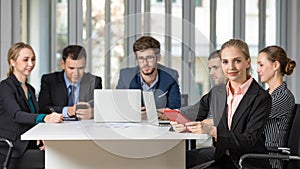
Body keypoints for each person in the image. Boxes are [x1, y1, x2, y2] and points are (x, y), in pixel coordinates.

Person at [171, 39, 272, 169]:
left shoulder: (261, 98)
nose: (231, 67)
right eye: (225, 62)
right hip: (223, 160)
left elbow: (249, 140)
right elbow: (193, 114)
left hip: (246, 163)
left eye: (237, 61)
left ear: (248, 62)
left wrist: (212, 131)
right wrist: (180, 122)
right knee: (175, 161)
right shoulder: (218, 93)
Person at [0, 42, 63, 168]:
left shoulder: (30, 89)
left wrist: (41, 136)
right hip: (12, 148)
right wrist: (44, 118)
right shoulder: (6, 86)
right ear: (12, 62)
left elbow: (31, 119)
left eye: (33, 59)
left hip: (28, 143)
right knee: (56, 159)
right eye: (25, 60)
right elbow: (17, 115)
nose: (31, 64)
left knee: (58, 154)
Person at [116, 36, 181, 119]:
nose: (145, 63)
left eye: (149, 58)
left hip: (159, 126)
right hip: (133, 125)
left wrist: (154, 113)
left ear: (158, 58)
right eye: (141, 58)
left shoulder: (171, 76)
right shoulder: (126, 76)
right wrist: (133, 113)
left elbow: (174, 109)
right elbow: (118, 106)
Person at [257, 45, 296, 169]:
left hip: (268, 160)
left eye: (261, 65)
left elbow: (251, 117)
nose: (258, 70)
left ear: (275, 66)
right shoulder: (265, 96)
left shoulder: (283, 97)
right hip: (255, 155)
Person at [38, 45, 102, 120]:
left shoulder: (94, 81)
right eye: (71, 68)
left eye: (81, 68)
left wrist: (92, 112)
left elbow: (101, 108)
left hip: (85, 127)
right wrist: (67, 111)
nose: (76, 73)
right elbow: (42, 108)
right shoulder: (49, 80)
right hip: (56, 128)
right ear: (63, 64)